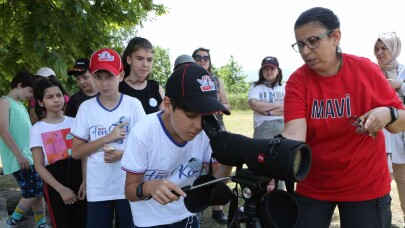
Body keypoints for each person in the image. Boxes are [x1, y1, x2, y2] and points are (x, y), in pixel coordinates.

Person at [283, 7, 405, 227]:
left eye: (312, 41)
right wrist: (272, 154)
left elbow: (400, 124)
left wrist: (388, 113)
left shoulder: (366, 71)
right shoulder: (297, 81)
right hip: (314, 185)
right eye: (300, 44)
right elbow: (294, 134)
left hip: (366, 186)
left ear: (335, 37)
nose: (306, 51)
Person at [121, 62, 232, 227]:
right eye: (190, 114)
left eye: (205, 116)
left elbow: (218, 179)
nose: (198, 125)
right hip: (150, 221)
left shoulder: (207, 132)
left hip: (187, 215)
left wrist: (229, 158)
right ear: (167, 105)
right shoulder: (143, 132)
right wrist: (148, 188)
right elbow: (130, 191)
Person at [71, 48, 146, 228]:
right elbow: (76, 152)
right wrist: (107, 137)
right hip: (99, 187)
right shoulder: (86, 108)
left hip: (129, 184)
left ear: (120, 75)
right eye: (98, 77)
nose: (104, 84)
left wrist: (121, 154)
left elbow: (147, 146)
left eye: (109, 76)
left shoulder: (133, 105)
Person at [30, 78, 87, 227]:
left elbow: (83, 155)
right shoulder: (37, 129)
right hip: (55, 181)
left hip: (78, 176)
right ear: (41, 102)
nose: (56, 100)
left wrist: (85, 182)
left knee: (83, 221)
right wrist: (61, 189)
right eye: (50, 97)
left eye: (59, 95)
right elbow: (39, 166)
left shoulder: (75, 122)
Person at [0, 71, 47, 228]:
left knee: (38, 191)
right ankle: (11, 221)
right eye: (30, 91)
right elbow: (3, 130)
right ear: (20, 85)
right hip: (19, 158)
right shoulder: (4, 102)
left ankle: (40, 223)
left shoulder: (20, 105)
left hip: (29, 156)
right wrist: (19, 155)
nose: (31, 96)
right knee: (35, 190)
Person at [192, 47, 231, 224]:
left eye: (205, 58)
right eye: (198, 57)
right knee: (196, 168)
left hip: (216, 129)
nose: (202, 60)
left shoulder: (216, 80)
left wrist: (213, 107)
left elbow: (226, 104)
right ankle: (196, 204)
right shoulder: (189, 79)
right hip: (194, 129)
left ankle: (217, 208)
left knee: (219, 167)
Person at [374, 32, 405, 226]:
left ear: (393, 48)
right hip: (379, 133)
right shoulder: (372, 70)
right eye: (376, 49)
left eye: (384, 48)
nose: (379, 52)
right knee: (378, 182)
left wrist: (400, 86)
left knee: (403, 181)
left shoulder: (402, 70)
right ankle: (382, 222)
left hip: (401, 132)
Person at [248, 56, 286, 190]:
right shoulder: (255, 87)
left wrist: (268, 111)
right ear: (261, 71)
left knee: (281, 160)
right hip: (262, 127)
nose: (269, 71)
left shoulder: (285, 87)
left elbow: (288, 108)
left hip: (282, 125)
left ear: (278, 71)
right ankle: (259, 192)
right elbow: (255, 105)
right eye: (266, 69)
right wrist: (278, 106)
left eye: (272, 68)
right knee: (261, 160)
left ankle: (279, 193)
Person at [120, 36, 165, 114]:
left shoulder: (156, 88)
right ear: (129, 59)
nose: (145, 64)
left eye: (149, 60)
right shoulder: (117, 87)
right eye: (140, 59)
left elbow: (165, 120)